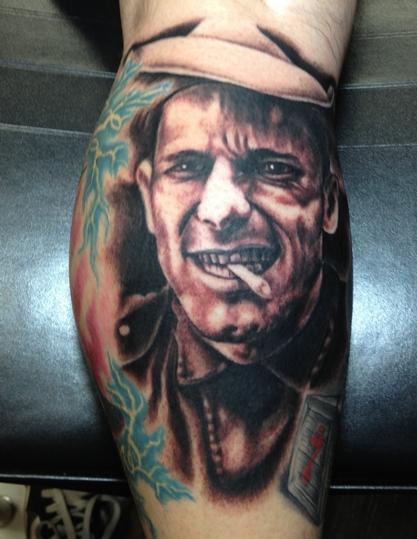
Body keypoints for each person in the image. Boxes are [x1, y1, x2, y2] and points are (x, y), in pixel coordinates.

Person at [70, 2, 356, 537]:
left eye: (272, 167)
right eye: (187, 166)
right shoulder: (139, 352)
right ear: (149, 199)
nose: (221, 210)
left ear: (328, 201)